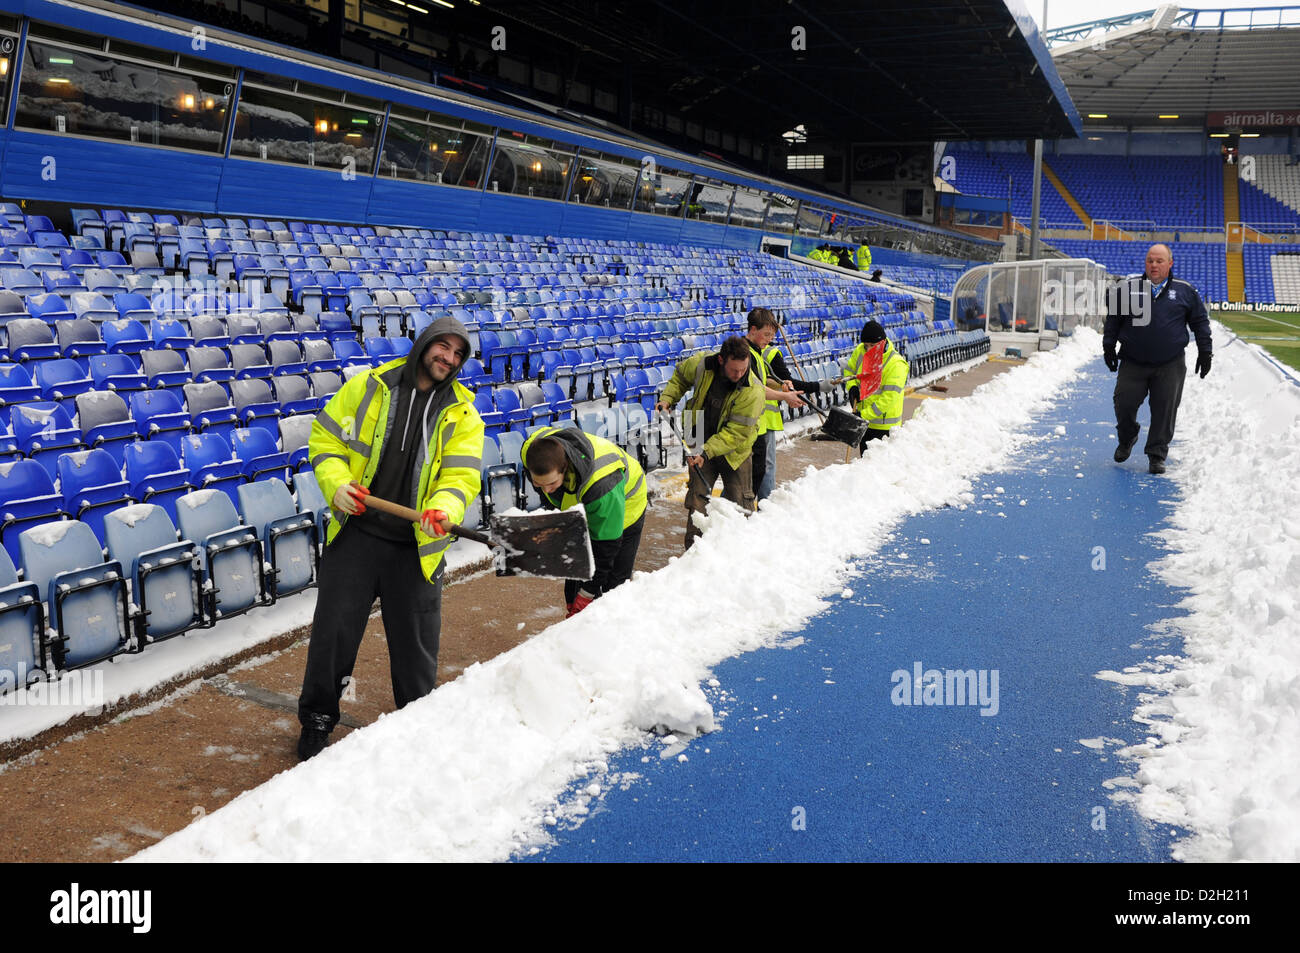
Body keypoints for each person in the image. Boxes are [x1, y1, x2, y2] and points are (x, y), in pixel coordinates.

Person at [296, 315, 485, 761]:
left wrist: (446, 510)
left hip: (417, 546)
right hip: (357, 533)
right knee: (333, 636)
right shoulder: (368, 387)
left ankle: (416, 722)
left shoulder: (463, 412)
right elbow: (325, 440)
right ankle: (318, 720)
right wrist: (336, 485)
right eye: (444, 348)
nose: (449, 358)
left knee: (417, 646)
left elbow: (461, 476)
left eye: (459, 354)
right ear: (425, 344)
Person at [1103, 243, 1212, 474]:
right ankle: (1127, 437)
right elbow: (1113, 320)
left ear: (1170, 263)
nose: (1154, 265)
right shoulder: (1127, 288)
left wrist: (1205, 351)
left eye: (1159, 261)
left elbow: (1200, 323)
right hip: (1133, 361)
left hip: (1170, 363)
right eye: (1150, 260)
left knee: (1164, 410)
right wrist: (1108, 346)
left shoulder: (1185, 291)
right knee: (1123, 404)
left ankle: (1156, 454)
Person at [520, 425, 647, 616]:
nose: (546, 490)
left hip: (626, 505)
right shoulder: (532, 450)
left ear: (565, 468)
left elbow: (606, 550)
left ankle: (610, 627)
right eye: (538, 484)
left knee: (613, 585)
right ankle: (577, 620)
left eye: (552, 483)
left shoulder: (602, 485)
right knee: (577, 568)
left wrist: (587, 594)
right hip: (583, 501)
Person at [656, 335, 764, 549]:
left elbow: (736, 433)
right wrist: (668, 398)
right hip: (698, 436)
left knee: (740, 503)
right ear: (722, 360)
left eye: (744, 369)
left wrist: (706, 452)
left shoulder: (754, 390)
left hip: (735, 450)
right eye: (735, 370)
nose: (740, 374)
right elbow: (679, 377)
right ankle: (694, 551)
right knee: (698, 499)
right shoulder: (701, 364)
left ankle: (740, 552)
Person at [743, 307, 828, 501]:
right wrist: (790, 394)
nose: (769, 339)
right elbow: (755, 387)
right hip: (751, 420)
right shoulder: (745, 353)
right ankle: (758, 507)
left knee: (760, 468)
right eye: (766, 334)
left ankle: (757, 507)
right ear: (753, 329)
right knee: (755, 470)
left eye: (771, 335)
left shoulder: (759, 352)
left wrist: (782, 386)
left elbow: (764, 382)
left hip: (762, 420)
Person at [842, 319, 909, 454]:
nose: (869, 349)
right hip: (865, 424)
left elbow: (888, 398)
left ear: (882, 342)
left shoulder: (896, 364)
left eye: (872, 345)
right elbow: (849, 372)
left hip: (884, 427)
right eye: (866, 345)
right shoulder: (861, 351)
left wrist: (864, 415)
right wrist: (852, 387)